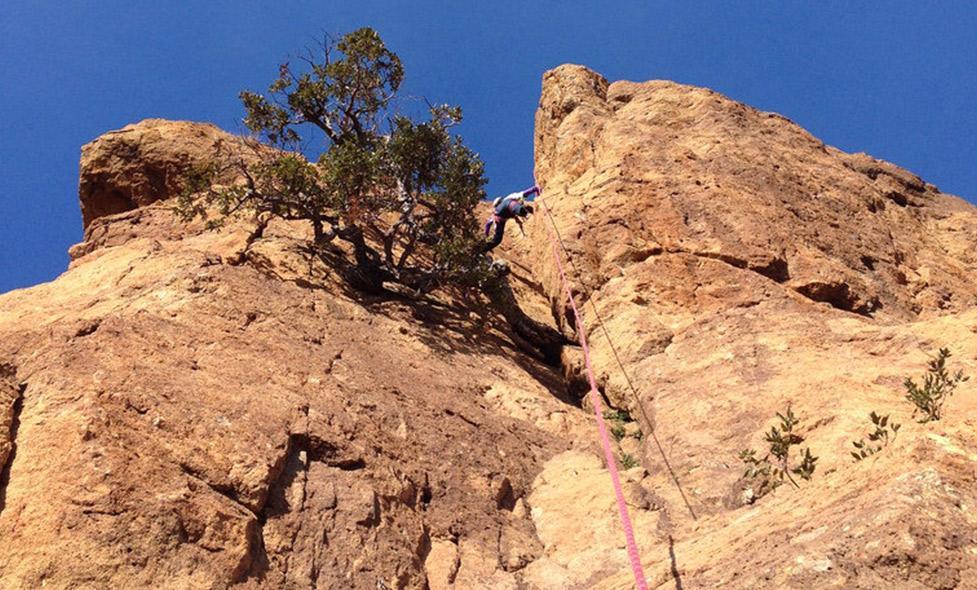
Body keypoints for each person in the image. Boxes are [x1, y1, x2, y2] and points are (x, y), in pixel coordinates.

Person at [482, 185, 540, 252]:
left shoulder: (495, 212)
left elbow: (488, 224)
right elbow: (524, 193)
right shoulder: (509, 197)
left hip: (500, 218)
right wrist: (536, 191)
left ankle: (483, 249)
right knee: (520, 208)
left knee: (497, 240)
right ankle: (524, 211)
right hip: (511, 206)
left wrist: (486, 234)